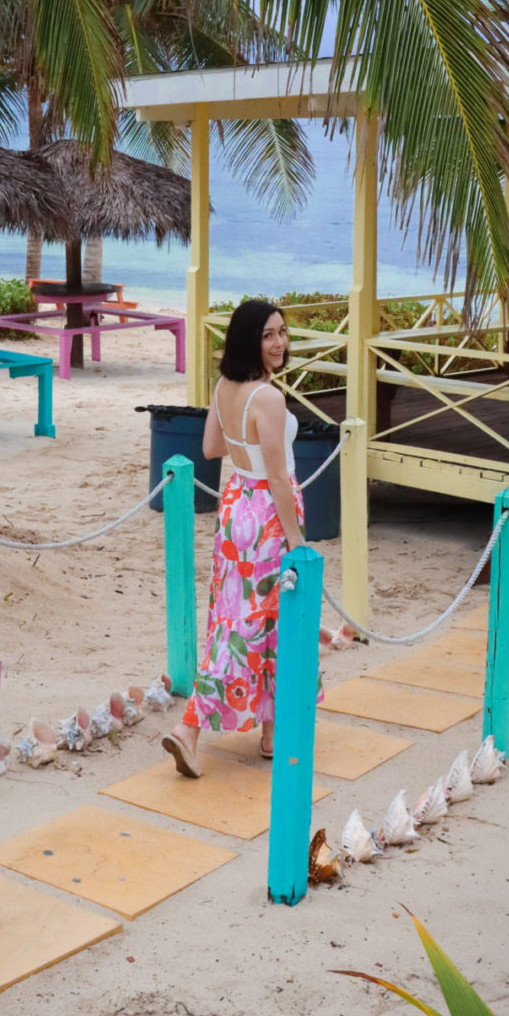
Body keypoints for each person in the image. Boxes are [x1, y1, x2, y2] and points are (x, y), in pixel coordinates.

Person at [162, 298, 349, 779]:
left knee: (237, 619)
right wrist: (297, 542)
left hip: (235, 508)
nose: (280, 342)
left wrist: (244, 442)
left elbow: (210, 448)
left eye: (283, 332)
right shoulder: (267, 398)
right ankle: (190, 727)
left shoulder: (225, 386)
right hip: (266, 513)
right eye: (268, 335)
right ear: (250, 340)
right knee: (257, 625)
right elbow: (281, 478)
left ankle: (269, 729)